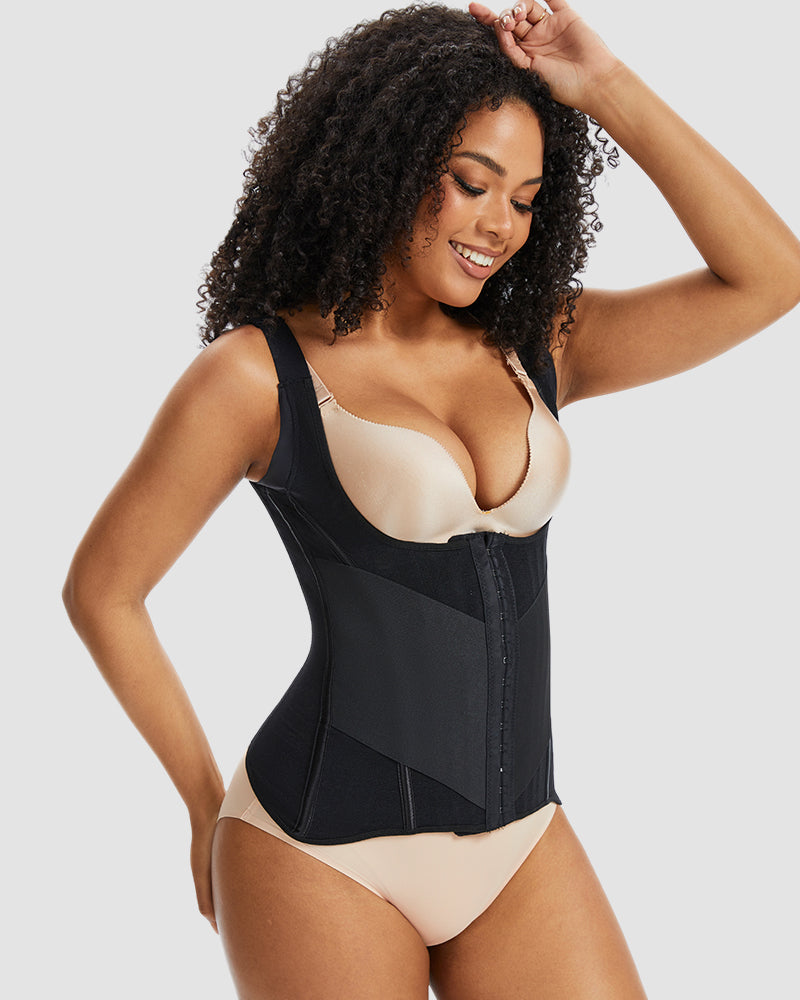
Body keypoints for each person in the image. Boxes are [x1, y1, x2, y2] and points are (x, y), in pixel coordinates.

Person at [62, 1, 800, 997]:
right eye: (471, 183)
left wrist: (603, 85)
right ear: (388, 163)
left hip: (520, 838)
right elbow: (104, 592)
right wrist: (202, 804)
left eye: (526, 199)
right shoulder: (256, 377)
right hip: (318, 850)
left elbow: (770, 277)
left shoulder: (542, 342)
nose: (499, 226)